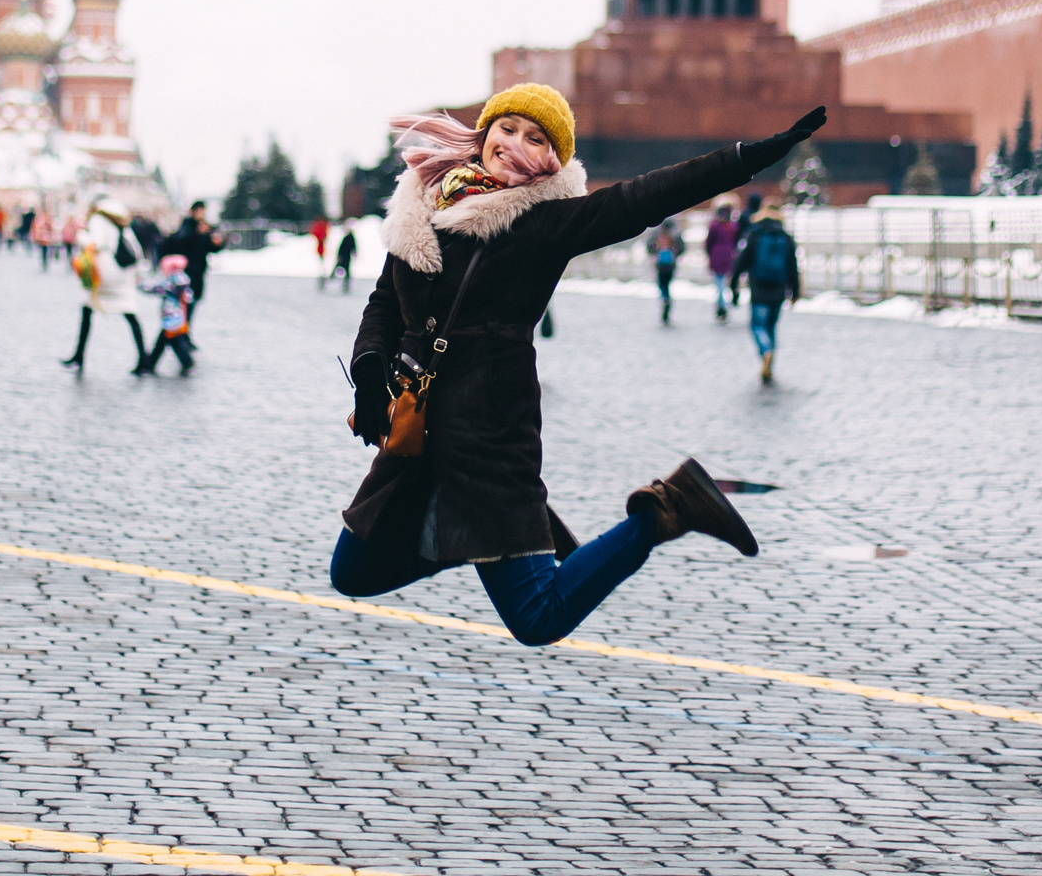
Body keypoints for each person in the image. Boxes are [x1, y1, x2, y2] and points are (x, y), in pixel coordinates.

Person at [333, 83, 825, 647]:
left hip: (486, 436)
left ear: (552, 158)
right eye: (508, 127)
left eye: (536, 137)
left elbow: (647, 196)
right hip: (417, 436)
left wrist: (750, 157)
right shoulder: (424, 203)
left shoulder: (547, 223)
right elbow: (386, 303)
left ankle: (666, 509)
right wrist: (369, 370)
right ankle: (465, 538)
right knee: (354, 572)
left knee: (539, 617)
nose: (515, 142)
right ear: (486, 131)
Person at [62, 198, 148, 371]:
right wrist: (138, 274)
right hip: (123, 274)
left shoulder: (98, 219)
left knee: (87, 309)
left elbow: (97, 243)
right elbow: (136, 250)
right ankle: (143, 358)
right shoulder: (121, 222)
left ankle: (79, 355)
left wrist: (80, 236)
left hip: (105, 273)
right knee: (130, 313)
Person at [732, 201, 801, 384]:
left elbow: (741, 263)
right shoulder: (785, 238)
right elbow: (793, 267)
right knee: (771, 326)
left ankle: (765, 352)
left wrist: (734, 285)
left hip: (759, 289)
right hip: (778, 290)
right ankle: (770, 361)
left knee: (757, 325)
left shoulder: (755, 235)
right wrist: (795, 292)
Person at [159, 201, 224, 321]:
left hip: (199, 270)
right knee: (183, 303)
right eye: (199, 210)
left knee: (193, 301)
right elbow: (181, 242)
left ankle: (184, 333)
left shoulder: (205, 227)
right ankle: (178, 334)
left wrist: (217, 243)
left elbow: (211, 248)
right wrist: (198, 233)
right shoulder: (187, 225)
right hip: (185, 270)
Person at [138, 254, 198, 374]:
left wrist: (139, 285)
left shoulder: (171, 280)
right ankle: (151, 363)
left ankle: (186, 361)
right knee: (167, 339)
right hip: (179, 315)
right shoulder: (184, 279)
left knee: (171, 340)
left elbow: (155, 288)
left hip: (171, 315)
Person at [704, 200, 740, 323]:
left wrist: (709, 254)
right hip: (729, 255)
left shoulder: (714, 225)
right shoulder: (732, 226)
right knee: (725, 282)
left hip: (716, 255)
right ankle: (726, 302)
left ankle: (721, 307)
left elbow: (709, 242)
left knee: (719, 283)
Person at [728, 192, 761, 306]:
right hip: (756, 249)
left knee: (738, 272)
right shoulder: (760, 215)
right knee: (752, 274)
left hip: (744, 246)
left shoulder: (744, 214)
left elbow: (738, 231)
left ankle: (735, 290)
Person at [647, 217, 682, 324]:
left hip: (661, 265)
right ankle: (666, 299)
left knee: (662, 285)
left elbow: (649, 246)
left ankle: (665, 299)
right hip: (671, 265)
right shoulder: (674, 235)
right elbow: (681, 248)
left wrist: (656, 251)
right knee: (667, 284)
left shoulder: (657, 234)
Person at [331, 222, 358, 295]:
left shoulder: (349, 238)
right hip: (344, 256)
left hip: (345, 256)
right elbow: (342, 248)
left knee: (344, 269)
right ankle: (332, 277)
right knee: (340, 268)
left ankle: (344, 282)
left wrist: (354, 253)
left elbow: (353, 247)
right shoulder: (347, 238)